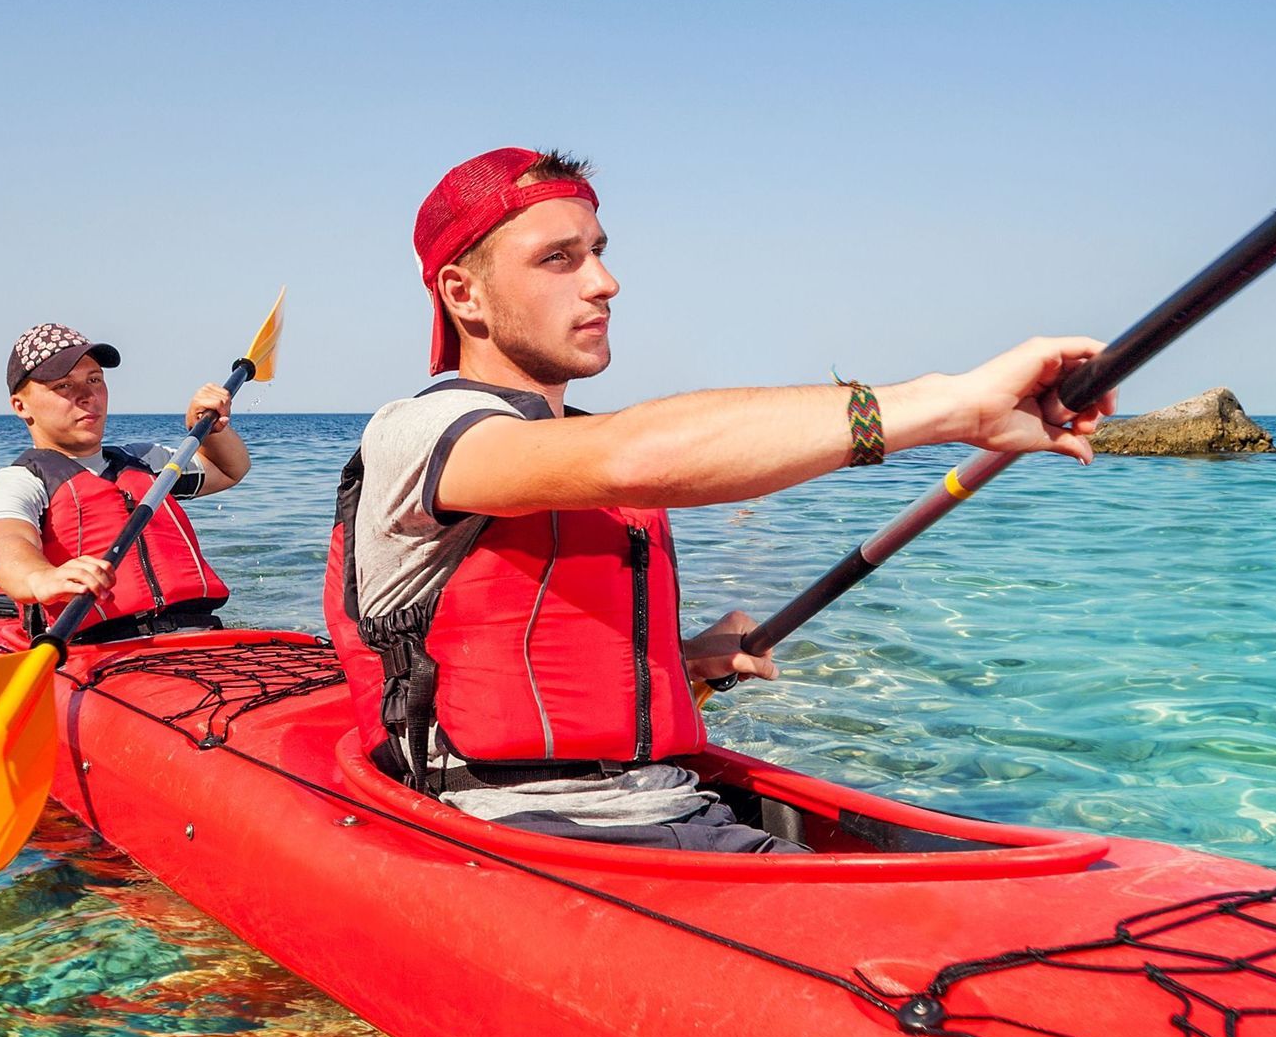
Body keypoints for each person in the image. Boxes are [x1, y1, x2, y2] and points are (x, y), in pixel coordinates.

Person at [324, 148, 1112, 851]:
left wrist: (680, 658)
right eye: (558, 259)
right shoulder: (421, 434)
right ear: (463, 293)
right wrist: (950, 406)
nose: (604, 282)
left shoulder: (577, 443)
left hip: (671, 805)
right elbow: (633, 457)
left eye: (598, 252)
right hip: (525, 828)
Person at [0, 322, 250, 641]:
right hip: (102, 648)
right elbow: (5, 543)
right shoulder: (22, 482)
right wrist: (40, 578)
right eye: (64, 385)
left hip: (202, 635)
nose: (87, 395)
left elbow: (229, 470)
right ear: (21, 406)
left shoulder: (146, 460)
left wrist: (209, 428)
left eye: (94, 379)